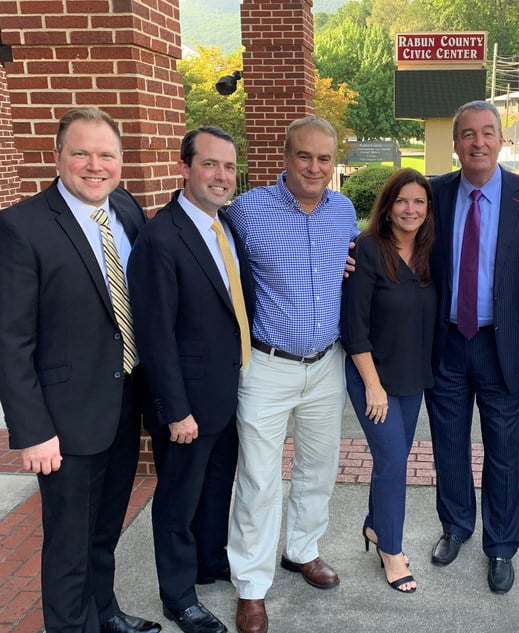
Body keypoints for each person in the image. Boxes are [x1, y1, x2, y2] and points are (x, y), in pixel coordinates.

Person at [0, 107, 161, 633]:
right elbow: (11, 339)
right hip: (63, 423)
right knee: (68, 542)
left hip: (122, 405)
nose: (95, 165)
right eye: (81, 153)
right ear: (57, 158)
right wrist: (33, 431)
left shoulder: (127, 210)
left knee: (104, 528)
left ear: (120, 161)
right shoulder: (22, 227)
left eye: (106, 154)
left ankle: (105, 613)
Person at [226, 116, 358, 633]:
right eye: (304, 156)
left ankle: (302, 550)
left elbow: (352, 262)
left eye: (324, 159)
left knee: (318, 468)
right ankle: (252, 587)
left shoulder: (343, 210)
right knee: (259, 481)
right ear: (285, 157)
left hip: (326, 364)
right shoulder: (247, 210)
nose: (315, 167)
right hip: (266, 365)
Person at [128, 127, 256, 633]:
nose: (221, 176)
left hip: (225, 393)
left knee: (215, 487)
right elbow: (155, 335)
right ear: (185, 168)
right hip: (186, 405)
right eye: (209, 164)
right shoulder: (161, 238)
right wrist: (176, 409)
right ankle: (178, 597)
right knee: (178, 500)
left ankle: (208, 561)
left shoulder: (226, 228)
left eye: (228, 166)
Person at [426, 100, 519, 593]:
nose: (477, 142)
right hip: (447, 345)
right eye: (467, 134)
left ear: (502, 139)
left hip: (505, 348)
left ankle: (501, 546)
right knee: (448, 445)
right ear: (456, 144)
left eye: (487, 132)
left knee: (503, 452)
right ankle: (456, 525)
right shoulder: (433, 193)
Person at [341, 168, 437, 594]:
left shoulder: (430, 253)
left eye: (419, 201)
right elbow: (354, 327)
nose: (410, 209)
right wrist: (373, 386)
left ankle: (377, 526)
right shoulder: (366, 249)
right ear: (388, 205)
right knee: (394, 462)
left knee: (391, 461)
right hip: (372, 378)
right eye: (402, 201)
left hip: (412, 377)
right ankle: (392, 551)